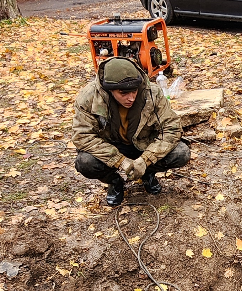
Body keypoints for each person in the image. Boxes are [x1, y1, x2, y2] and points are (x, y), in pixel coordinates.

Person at [72, 56, 190, 207]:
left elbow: (171, 128)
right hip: (111, 146)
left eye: (134, 91)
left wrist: (145, 160)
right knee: (85, 163)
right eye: (123, 93)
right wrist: (120, 161)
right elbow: (82, 136)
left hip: (144, 144)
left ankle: (147, 174)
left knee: (181, 153)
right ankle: (114, 182)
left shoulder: (152, 93)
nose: (131, 98)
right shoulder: (89, 97)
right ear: (110, 89)